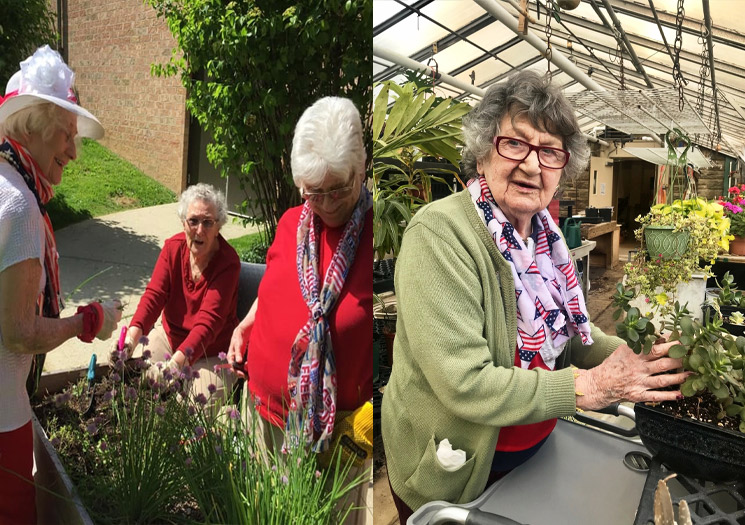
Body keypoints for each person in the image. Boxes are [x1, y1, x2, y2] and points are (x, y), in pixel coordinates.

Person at [381, 70, 690, 522]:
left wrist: (636, 358)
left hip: (534, 454)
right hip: (457, 470)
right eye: (515, 144)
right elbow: (465, 382)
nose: (532, 165)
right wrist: (588, 387)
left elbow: (572, 335)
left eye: (549, 152)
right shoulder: (440, 235)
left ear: (563, 168)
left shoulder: (544, 240)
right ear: (484, 150)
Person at [227, 96, 373, 524]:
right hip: (264, 418)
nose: (326, 203)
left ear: (361, 169)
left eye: (338, 188)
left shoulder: (376, 239)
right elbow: (276, 284)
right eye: (314, 191)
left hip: (336, 441)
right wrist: (247, 324)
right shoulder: (293, 222)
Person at [0, 46, 122, 525]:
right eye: (67, 135)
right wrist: (87, 321)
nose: (74, 150)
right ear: (32, 126)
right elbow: (18, 333)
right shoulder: (21, 207)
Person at [115, 183, 241, 405]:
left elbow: (208, 324)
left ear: (218, 226)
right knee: (132, 382)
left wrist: (175, 365)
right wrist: (130, 342)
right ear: (183, 222)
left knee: (193, 409)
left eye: (208, 222)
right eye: (193, 221)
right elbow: (153, 298)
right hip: (170, 338)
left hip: (211, 354)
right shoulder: (172, 249)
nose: (199, 230)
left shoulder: (228, 263)